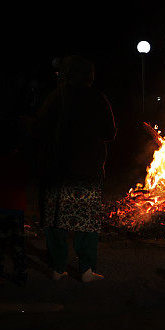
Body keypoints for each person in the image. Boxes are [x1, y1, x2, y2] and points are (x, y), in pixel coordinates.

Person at [36, 55, 115, 282]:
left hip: (58, 170)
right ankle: (86, 270)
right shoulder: (98, 98)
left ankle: (57, 268)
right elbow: (110, 133)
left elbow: (40, 126)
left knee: (56, 220)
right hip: (88, 171)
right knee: (86, 221)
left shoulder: (56, 96)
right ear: (90, 76)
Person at [0, 122, 29, 287]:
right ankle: (21, 275)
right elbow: (25, 181)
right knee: (18, 245)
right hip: (16, 209)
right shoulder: (21, 164)